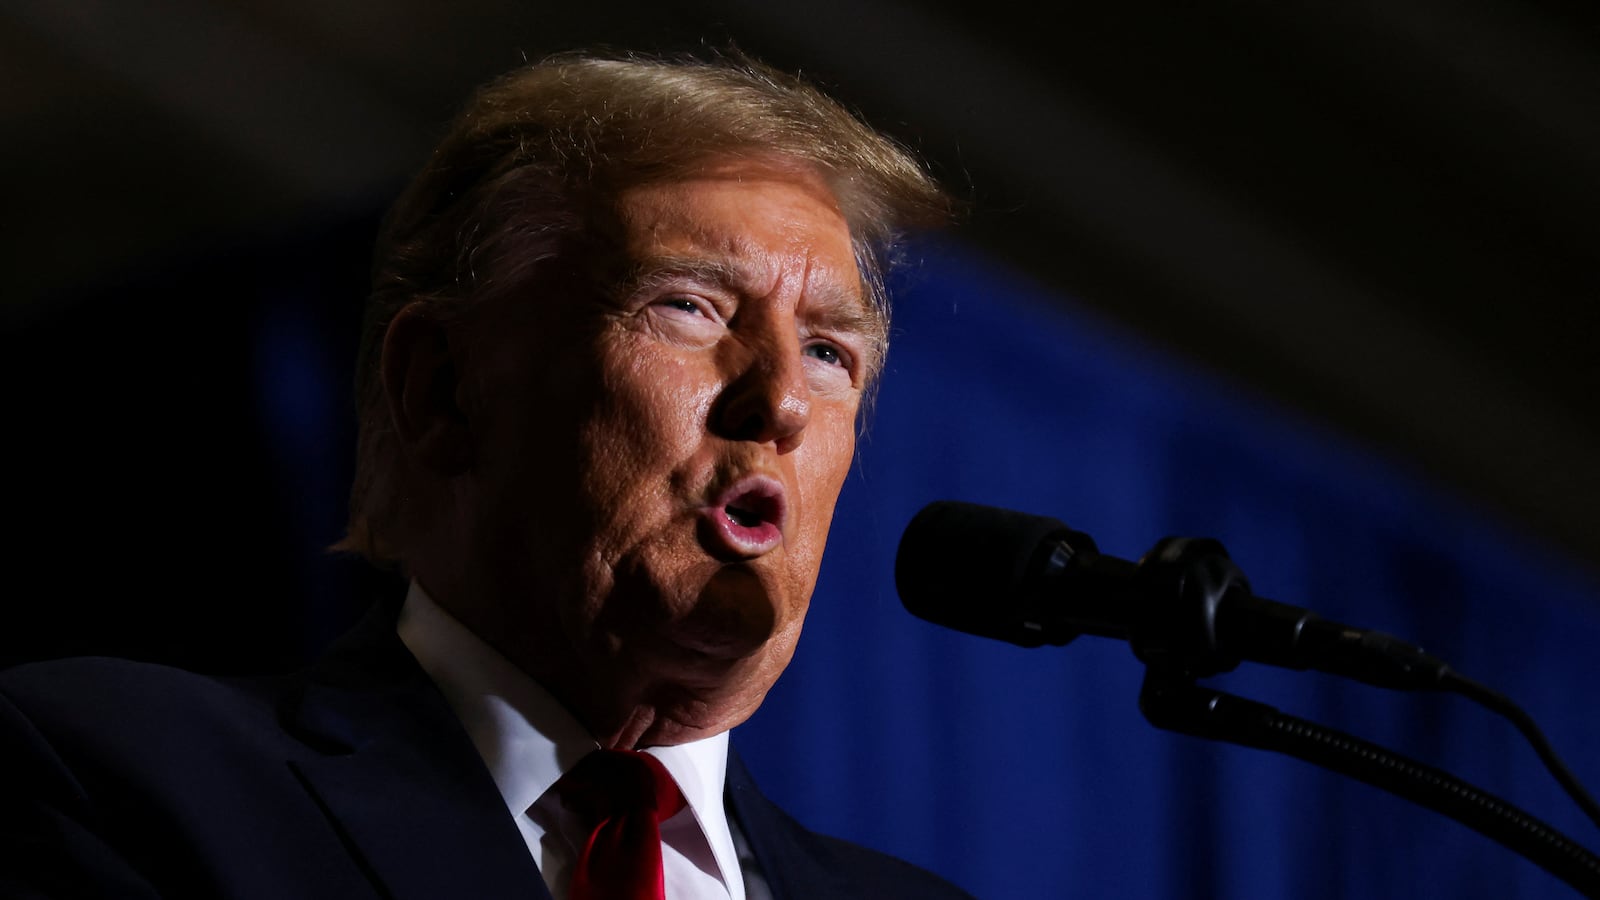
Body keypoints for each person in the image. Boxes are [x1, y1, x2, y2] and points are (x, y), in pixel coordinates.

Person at [0, 50, 971, 899]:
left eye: (828, 352)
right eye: (690, 307)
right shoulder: (124, 781)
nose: (784, 402)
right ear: (444, 391)